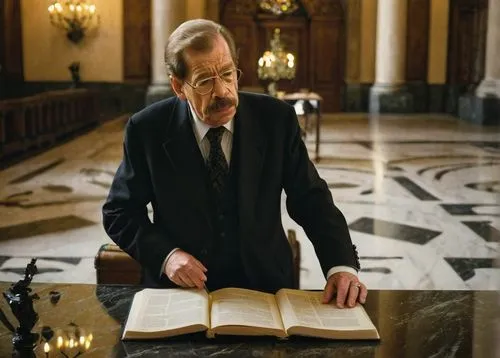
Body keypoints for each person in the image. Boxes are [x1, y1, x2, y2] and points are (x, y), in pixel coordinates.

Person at [102, 19, 367, 308]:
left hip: (266, 288)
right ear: (179, 86)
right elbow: (119, 212)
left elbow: (311, 199)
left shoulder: (275, 120)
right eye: (205, 81)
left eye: (228, 74)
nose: (223, 92)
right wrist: (167, 256)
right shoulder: (147, 129)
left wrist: (341, 265)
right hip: (181, 293)